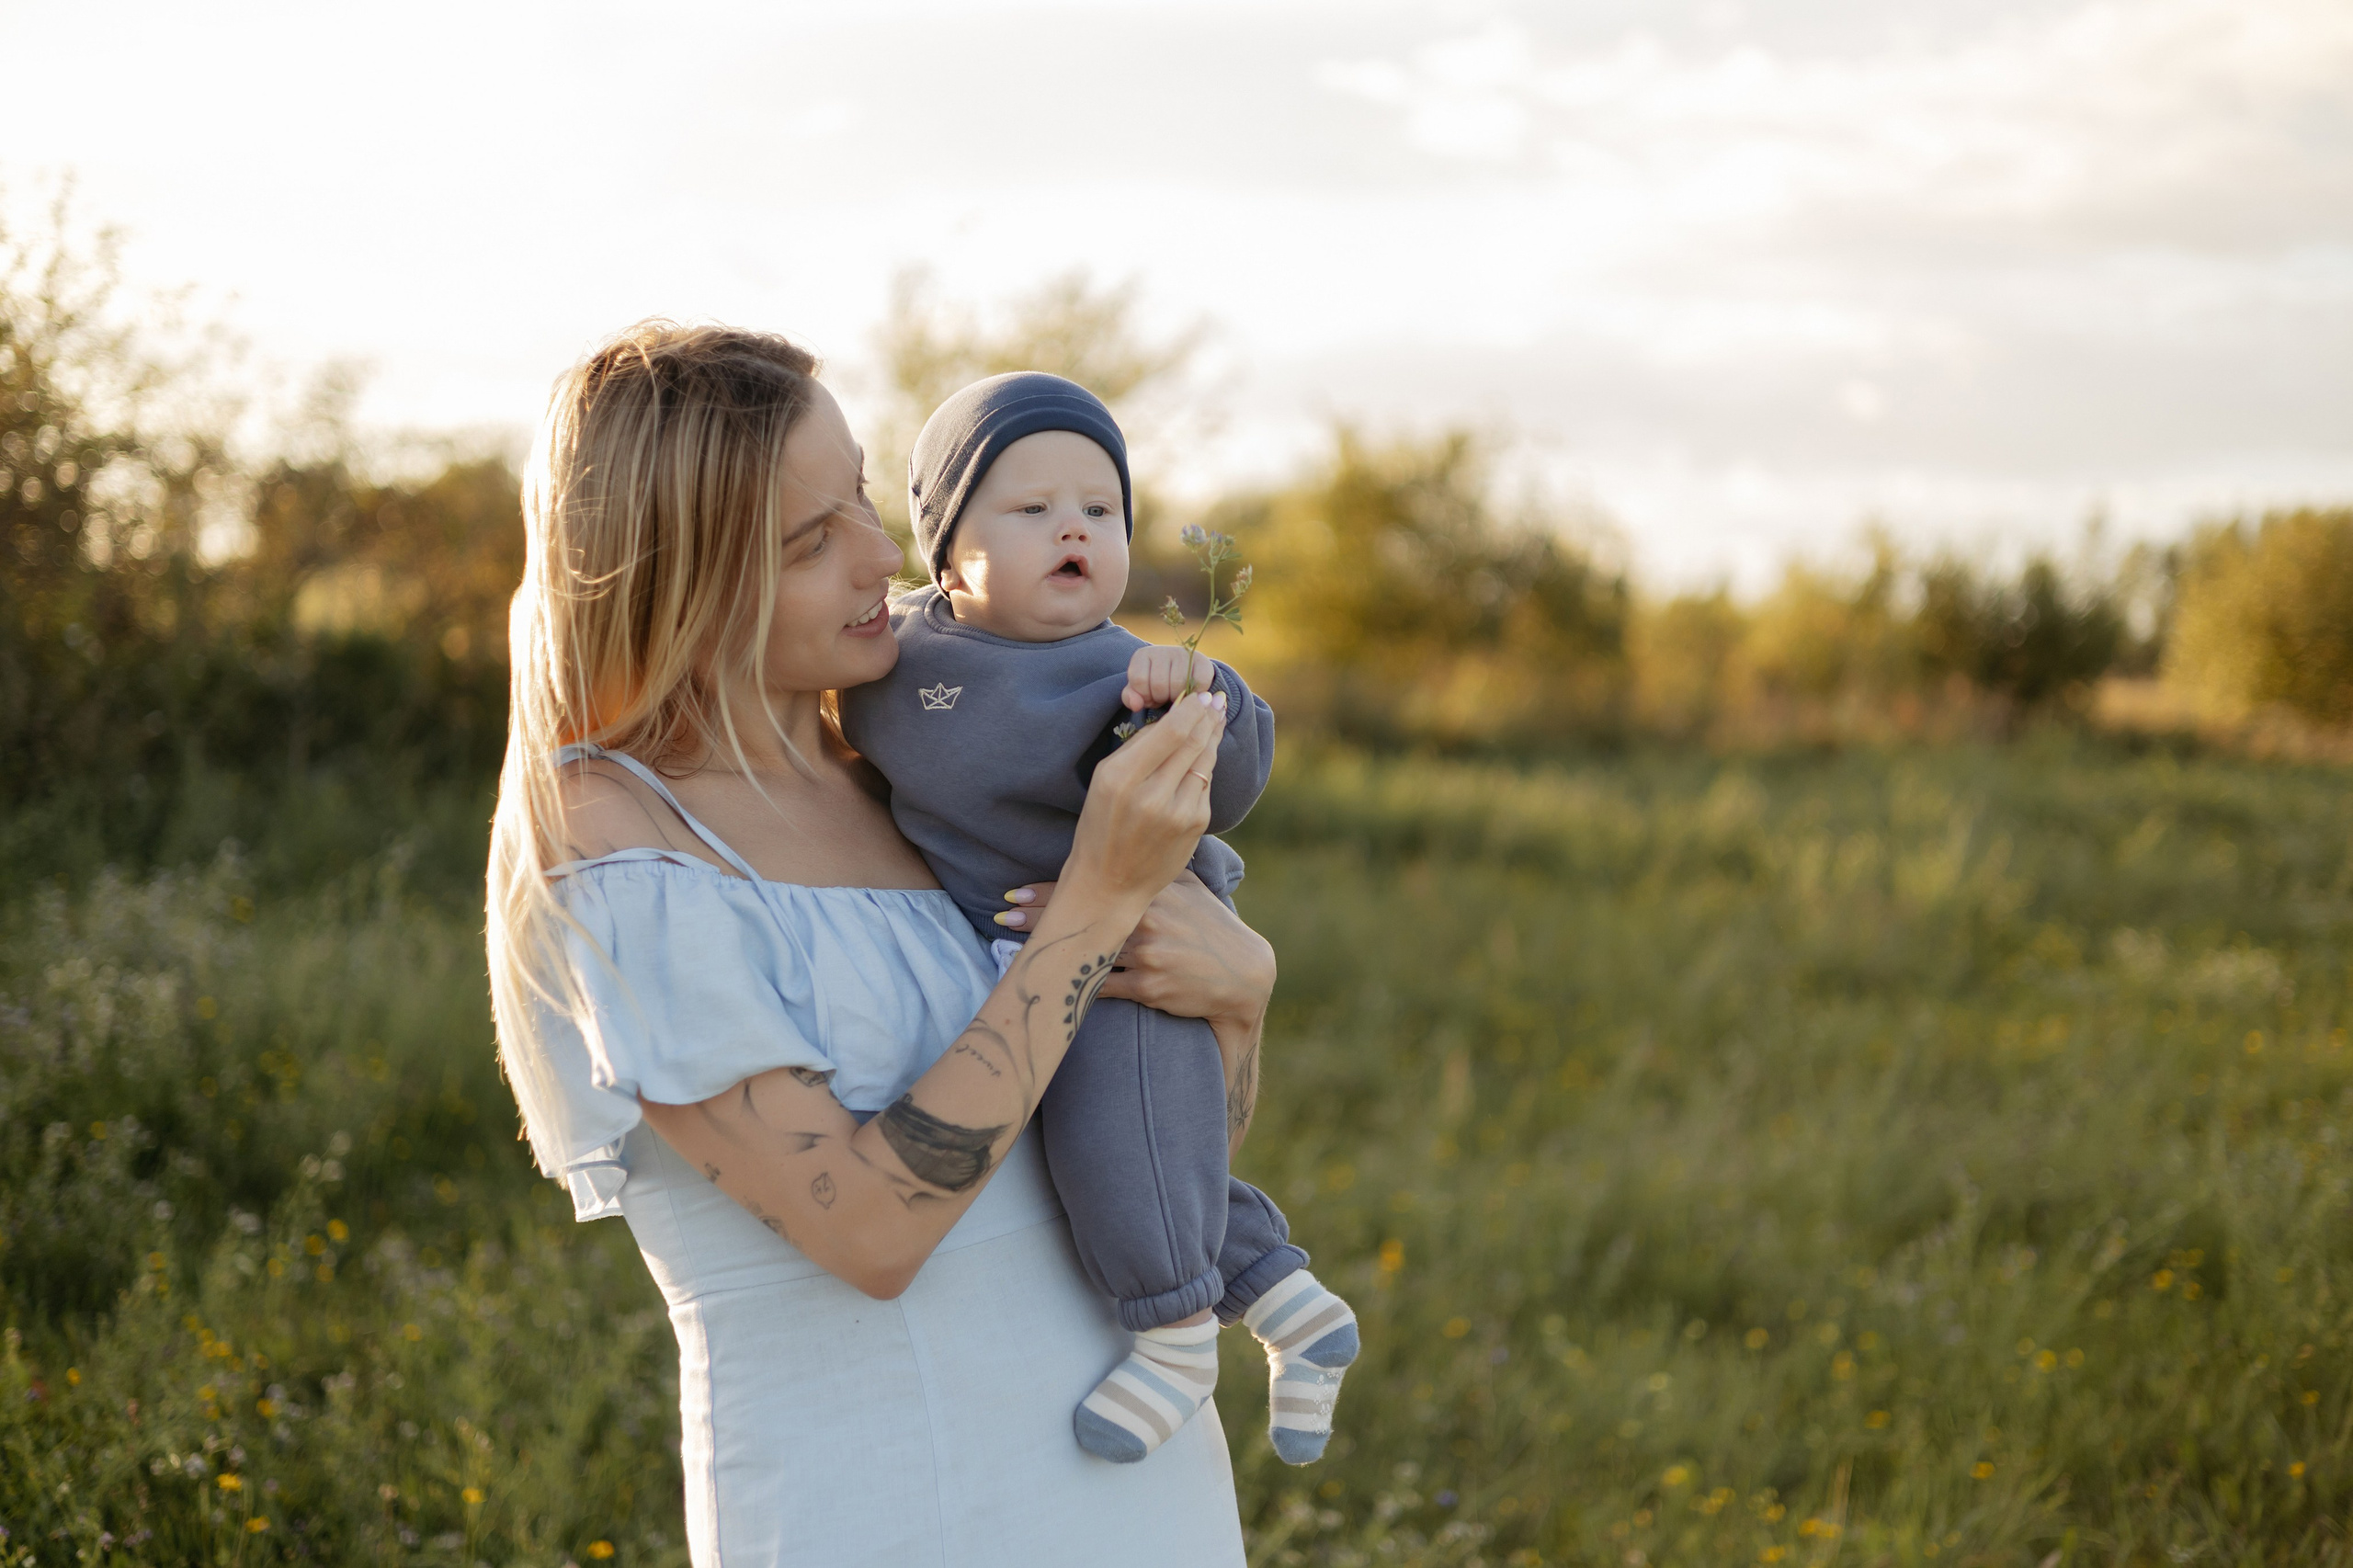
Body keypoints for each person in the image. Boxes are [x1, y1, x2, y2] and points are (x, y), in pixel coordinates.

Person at [485, 322, 1279, 1564]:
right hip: (902, 1500)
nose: (882, 552)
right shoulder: (620, 839)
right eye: (810, 540)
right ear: (681, 579)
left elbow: (1157, 1147)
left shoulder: (910, 784)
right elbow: (867, 1230)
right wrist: (1096, 898)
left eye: (859, 493)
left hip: (1142, 1484)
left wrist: (1237, 997)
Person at [838, 372, 1358, 1467]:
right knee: (1133, 1155)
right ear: (946, 554)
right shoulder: (898, 652)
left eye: (1100, 508)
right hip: (1023, 951)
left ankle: (1172, 1338)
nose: (1073, 527)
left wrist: (1206, 695)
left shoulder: (1128, 673)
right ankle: (1291, 1302)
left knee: (1120, 1138)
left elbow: (1230, 782)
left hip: (1136, 954)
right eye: (1030, 508)